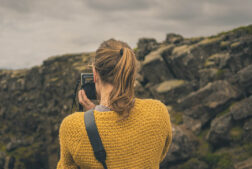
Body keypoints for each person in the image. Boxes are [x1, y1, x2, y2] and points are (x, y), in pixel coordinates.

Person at [57, 38, 172, 169]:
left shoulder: (73, 127)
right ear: (131, 73)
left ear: (95, 74)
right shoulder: (157, 112)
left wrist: (91, 119)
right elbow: (156, 156)